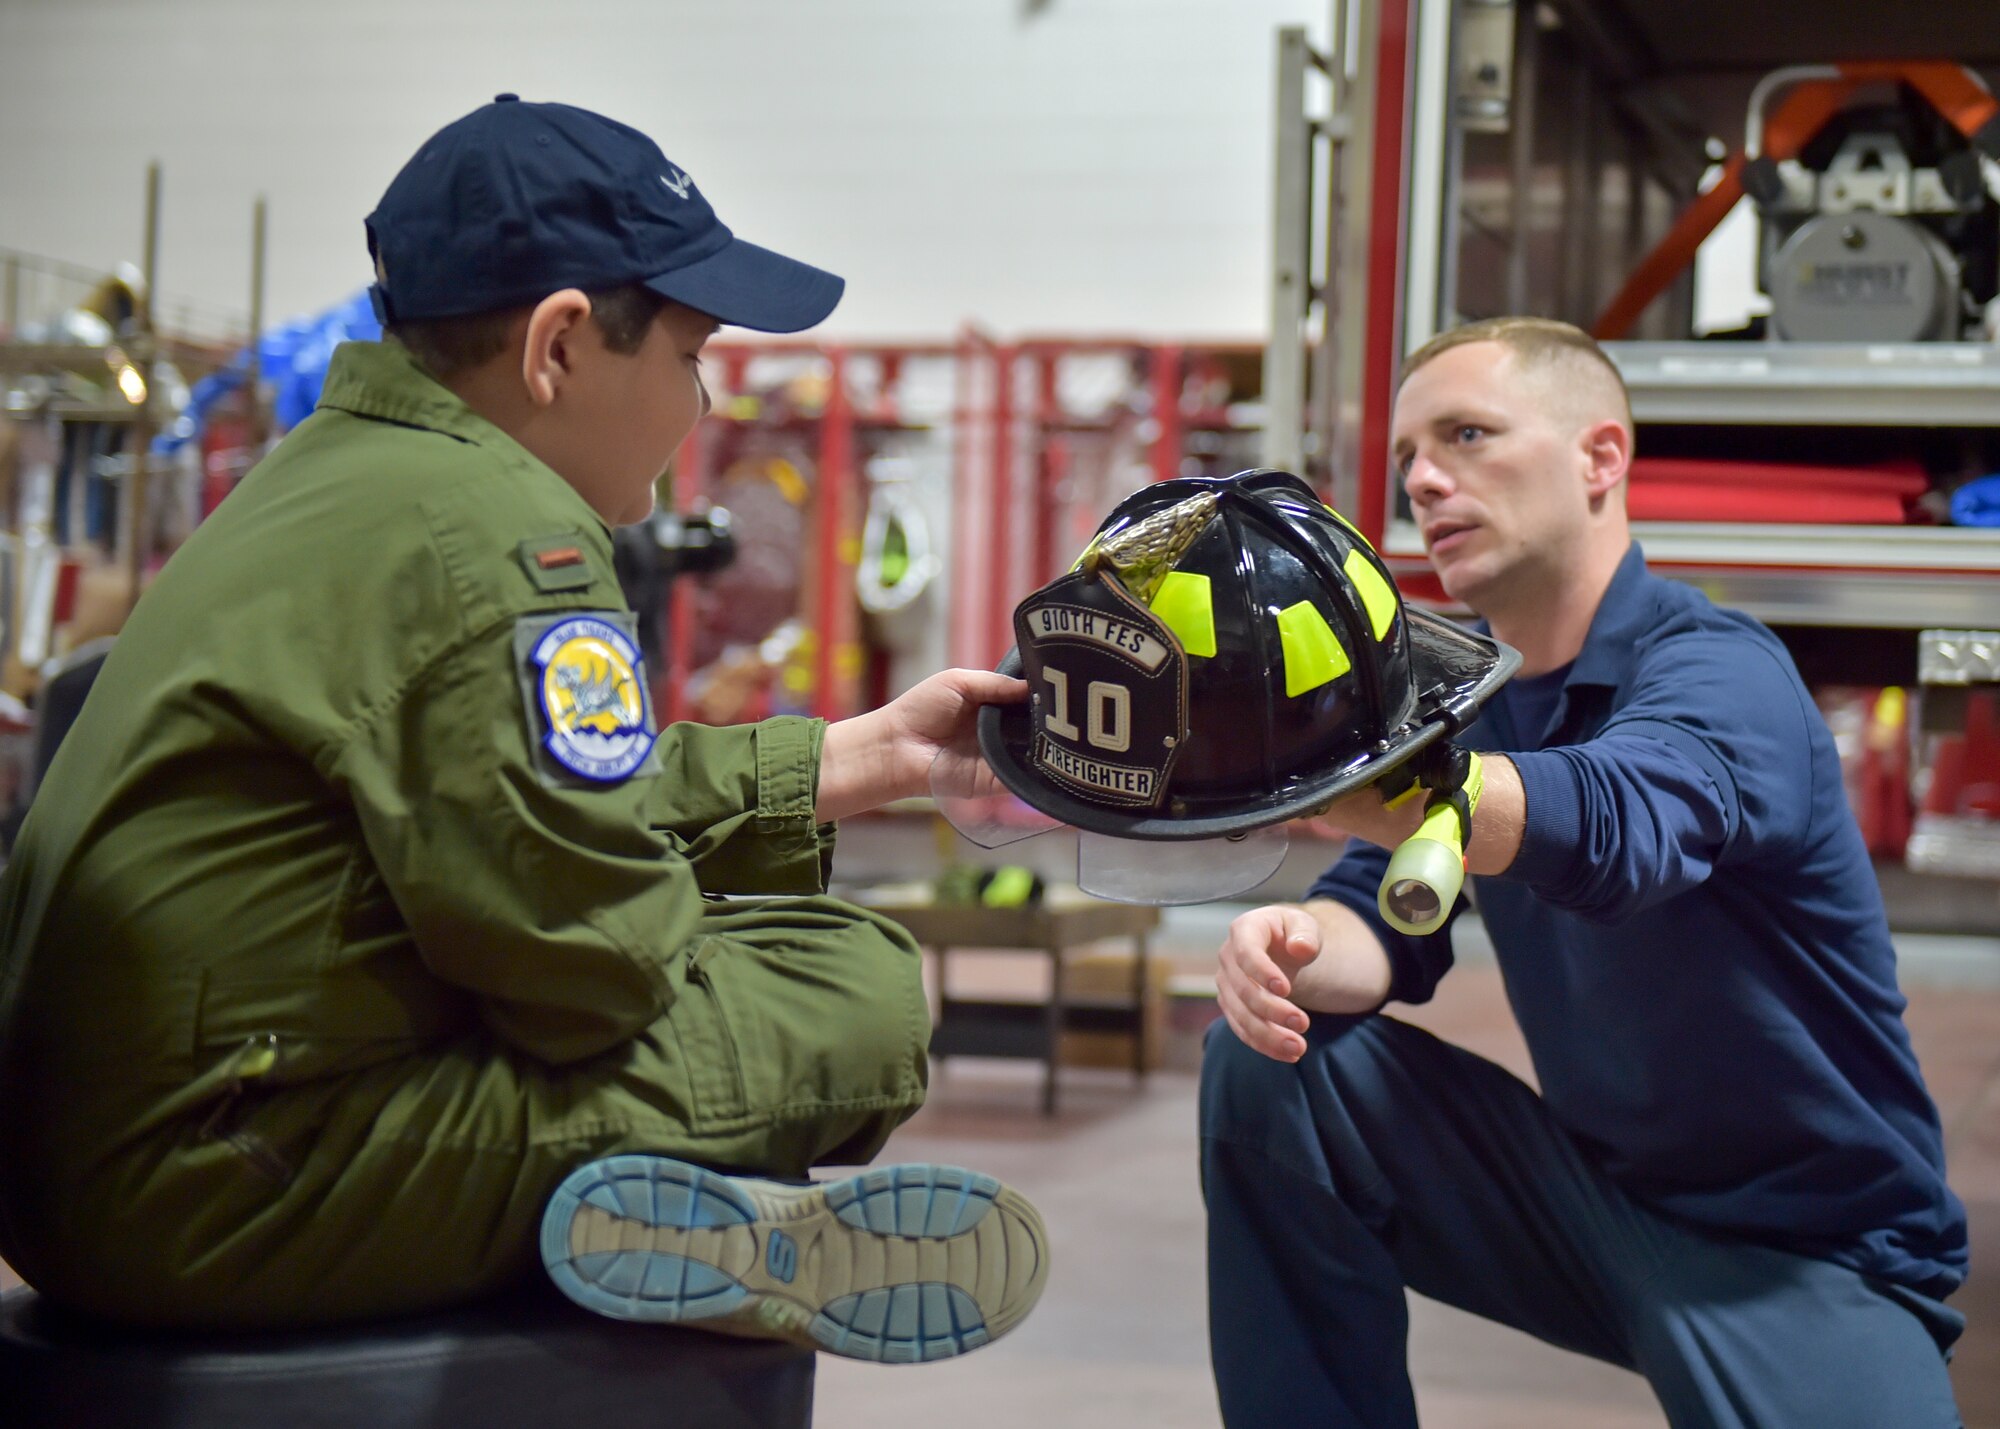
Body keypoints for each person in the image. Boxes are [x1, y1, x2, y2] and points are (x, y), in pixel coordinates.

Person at [0, 95, 1047, 1364]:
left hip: (104, 1170)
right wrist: (702, 915)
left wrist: (857, 757)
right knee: (854, 988)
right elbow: (599, 974)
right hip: (226, 1187)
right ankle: (660, 1228)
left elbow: (515, 794)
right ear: (557, 346)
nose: (703, 403)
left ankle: (656, 1227)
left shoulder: (337, 471)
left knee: (751, 956)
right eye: (689, 353)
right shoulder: (506, 537)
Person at [1199, 317, 1967, 1427]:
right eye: (1408, 455)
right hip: (1593, 1204)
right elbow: (1383, 908)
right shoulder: (1456, 698)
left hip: (1807, 1250)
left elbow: (1624, 818)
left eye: (1466, 434)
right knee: (1265, 1064)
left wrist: (1428, 794)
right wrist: (1291, 954)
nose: (1422, 478)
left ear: (1599, 458)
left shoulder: (1718, 670)